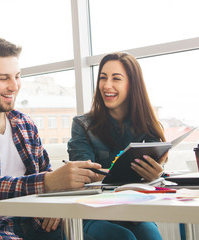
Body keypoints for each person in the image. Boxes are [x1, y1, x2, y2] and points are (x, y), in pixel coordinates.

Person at [0, 36, 102, 240]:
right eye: (4, 78)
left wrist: (54, 204)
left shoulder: (24, 123)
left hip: (35, 221)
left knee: (112, 235)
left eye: (17, 76)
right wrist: (49, 182)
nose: (14, 86)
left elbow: (44, 170)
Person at [67, 52, 165, 240]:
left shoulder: (147, 126)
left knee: (151, 237)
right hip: (92, 213)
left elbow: (154, 176)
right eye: (103, 78)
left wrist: (156, 175)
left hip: (131, 211)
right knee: (123, 238)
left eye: (116, 78)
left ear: (132, 85)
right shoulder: (82, 125)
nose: (107, 85)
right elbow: (83, 175)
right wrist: (132, 175)